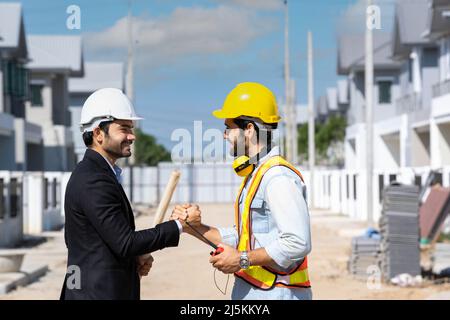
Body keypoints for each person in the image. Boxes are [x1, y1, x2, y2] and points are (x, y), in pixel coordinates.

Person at [171, 82, 312, 300]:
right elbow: (246, 238)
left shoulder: (277, 178)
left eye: (228, 127)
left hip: (277, 294)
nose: (224, 135)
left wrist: (242, 259)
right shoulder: (256, 174)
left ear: (249, 129)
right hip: (256, 292)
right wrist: (193, 228)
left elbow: (298, 242)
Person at [61, 88, 200, 300]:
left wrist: (134, 256)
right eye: (124, 129)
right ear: (98, 133)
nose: (132, 136)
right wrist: (180, 225)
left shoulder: (98, 174)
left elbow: (96, 241)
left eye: (131, 129)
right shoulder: (94, 180)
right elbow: (125, 243)